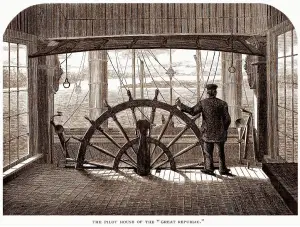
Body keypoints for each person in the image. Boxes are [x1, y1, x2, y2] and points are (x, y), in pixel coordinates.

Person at [175, 84, 231, 175]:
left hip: (207, 132)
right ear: (215, 92)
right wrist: (224, 129)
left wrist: (180, 105)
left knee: (208, 152)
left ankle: (209, 169)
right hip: (220, 133)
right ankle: (222, 169)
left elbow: (192, 111)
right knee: (221, 152)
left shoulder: (203, 103)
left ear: (207, 92)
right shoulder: (223, 103)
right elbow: (228, 119)